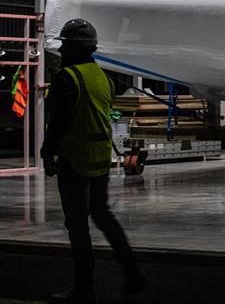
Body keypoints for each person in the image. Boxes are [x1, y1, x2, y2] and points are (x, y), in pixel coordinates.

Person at [41, 19, 147, 303]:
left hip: (75, 160)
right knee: (102, 215)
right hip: (100, 158)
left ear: (76, 48)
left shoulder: (68, 78)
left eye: (65, 46)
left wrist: (47, 152)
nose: (62, 51)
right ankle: (133, 273)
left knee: (77, 225)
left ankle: (83, 288)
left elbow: (59, 122)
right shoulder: (103, 77)